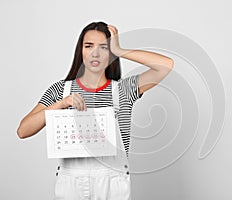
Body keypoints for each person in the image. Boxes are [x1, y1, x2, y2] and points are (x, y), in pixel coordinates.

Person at [17, 21, 173, 200]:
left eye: (104, 47)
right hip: (71, 183)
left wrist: (120, 50)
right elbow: (23, 130)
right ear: (80, 51)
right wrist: (61, 104)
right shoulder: (61, 90)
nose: (95, 53)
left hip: (113, 183)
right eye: (88, 46)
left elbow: (166, 65)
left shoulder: (124, 89)